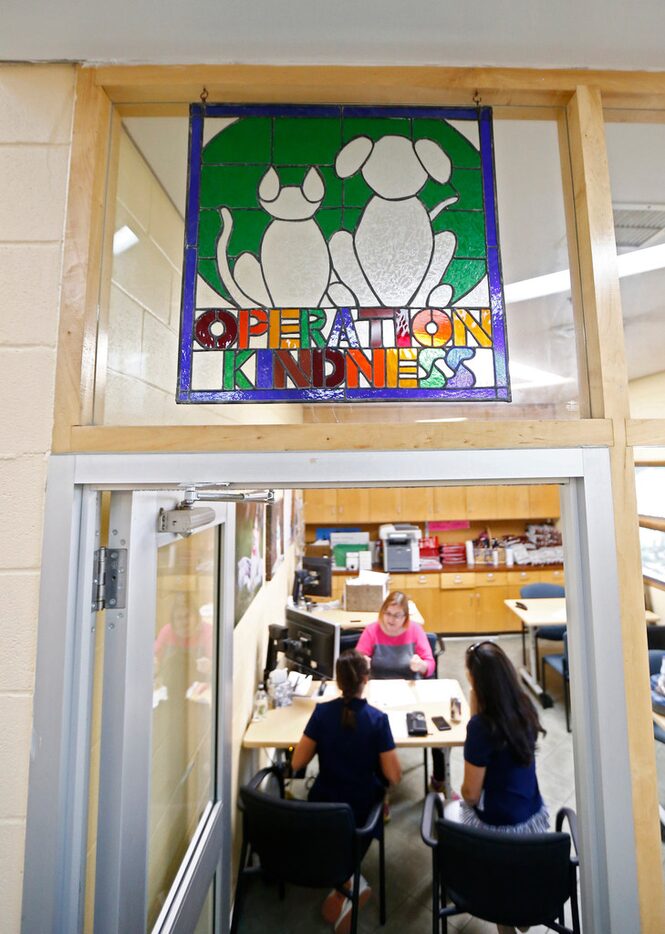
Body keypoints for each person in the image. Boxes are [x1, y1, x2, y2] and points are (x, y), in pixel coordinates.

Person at [291, 650, 401, 934]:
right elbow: (393, 776)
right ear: (366, 680)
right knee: (365, 814)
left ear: (339, 682)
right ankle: (351, 881)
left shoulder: (322, 713)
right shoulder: (378, 720)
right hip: (361, 808)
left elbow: (297, 762)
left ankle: (345, 881)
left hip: (324, 805)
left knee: (335, 837)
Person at [453, 640, 548, 835]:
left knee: (455, 807)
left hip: (498, 827)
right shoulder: (525, 707)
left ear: (475, 680)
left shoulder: (481, 727)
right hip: (531, 816)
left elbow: (471, 795)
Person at [356, 591, 446, 791]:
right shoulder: (372, 631)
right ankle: (378, 787)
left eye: (397, 615)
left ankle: (440, 780)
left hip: (410, 692)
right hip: (378, 692)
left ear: (406, 617)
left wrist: (421, 665)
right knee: (368, 732)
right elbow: (357, 660)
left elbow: (430, 664)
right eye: (387, 613)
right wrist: (363, 663)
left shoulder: (415, 630)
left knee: (437, 730)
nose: (391, 620)